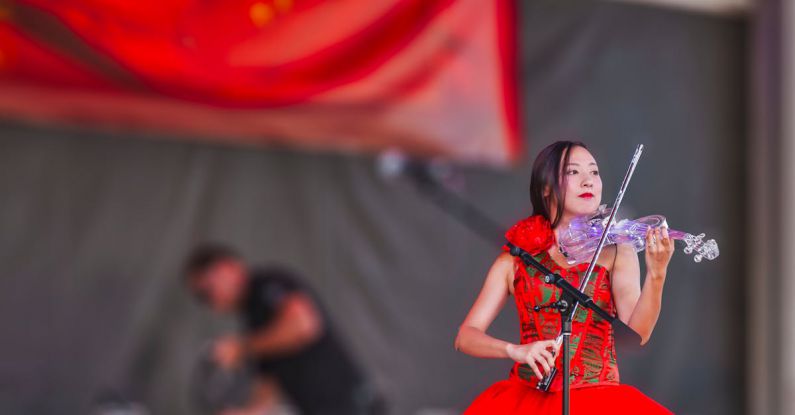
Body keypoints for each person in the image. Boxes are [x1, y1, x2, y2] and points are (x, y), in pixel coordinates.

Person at [456, 141, 674, 414]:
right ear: (546, 188)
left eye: (594, 173)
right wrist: (516, 350)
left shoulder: (617, 251)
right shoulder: (516, 259)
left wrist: (657, 274)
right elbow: (466, 336)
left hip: (600, 401)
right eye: (572, 172)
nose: (588, 182)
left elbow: (638, 334)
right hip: (524, 401)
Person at [184, 244, 383, 415]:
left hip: (350, 405)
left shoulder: (266, 284)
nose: (208, 301)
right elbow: (270, 384)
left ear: (227, 267)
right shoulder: (252, 322)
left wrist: (240, 347)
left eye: (206, 291)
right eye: (201, 297)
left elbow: (303, 324)